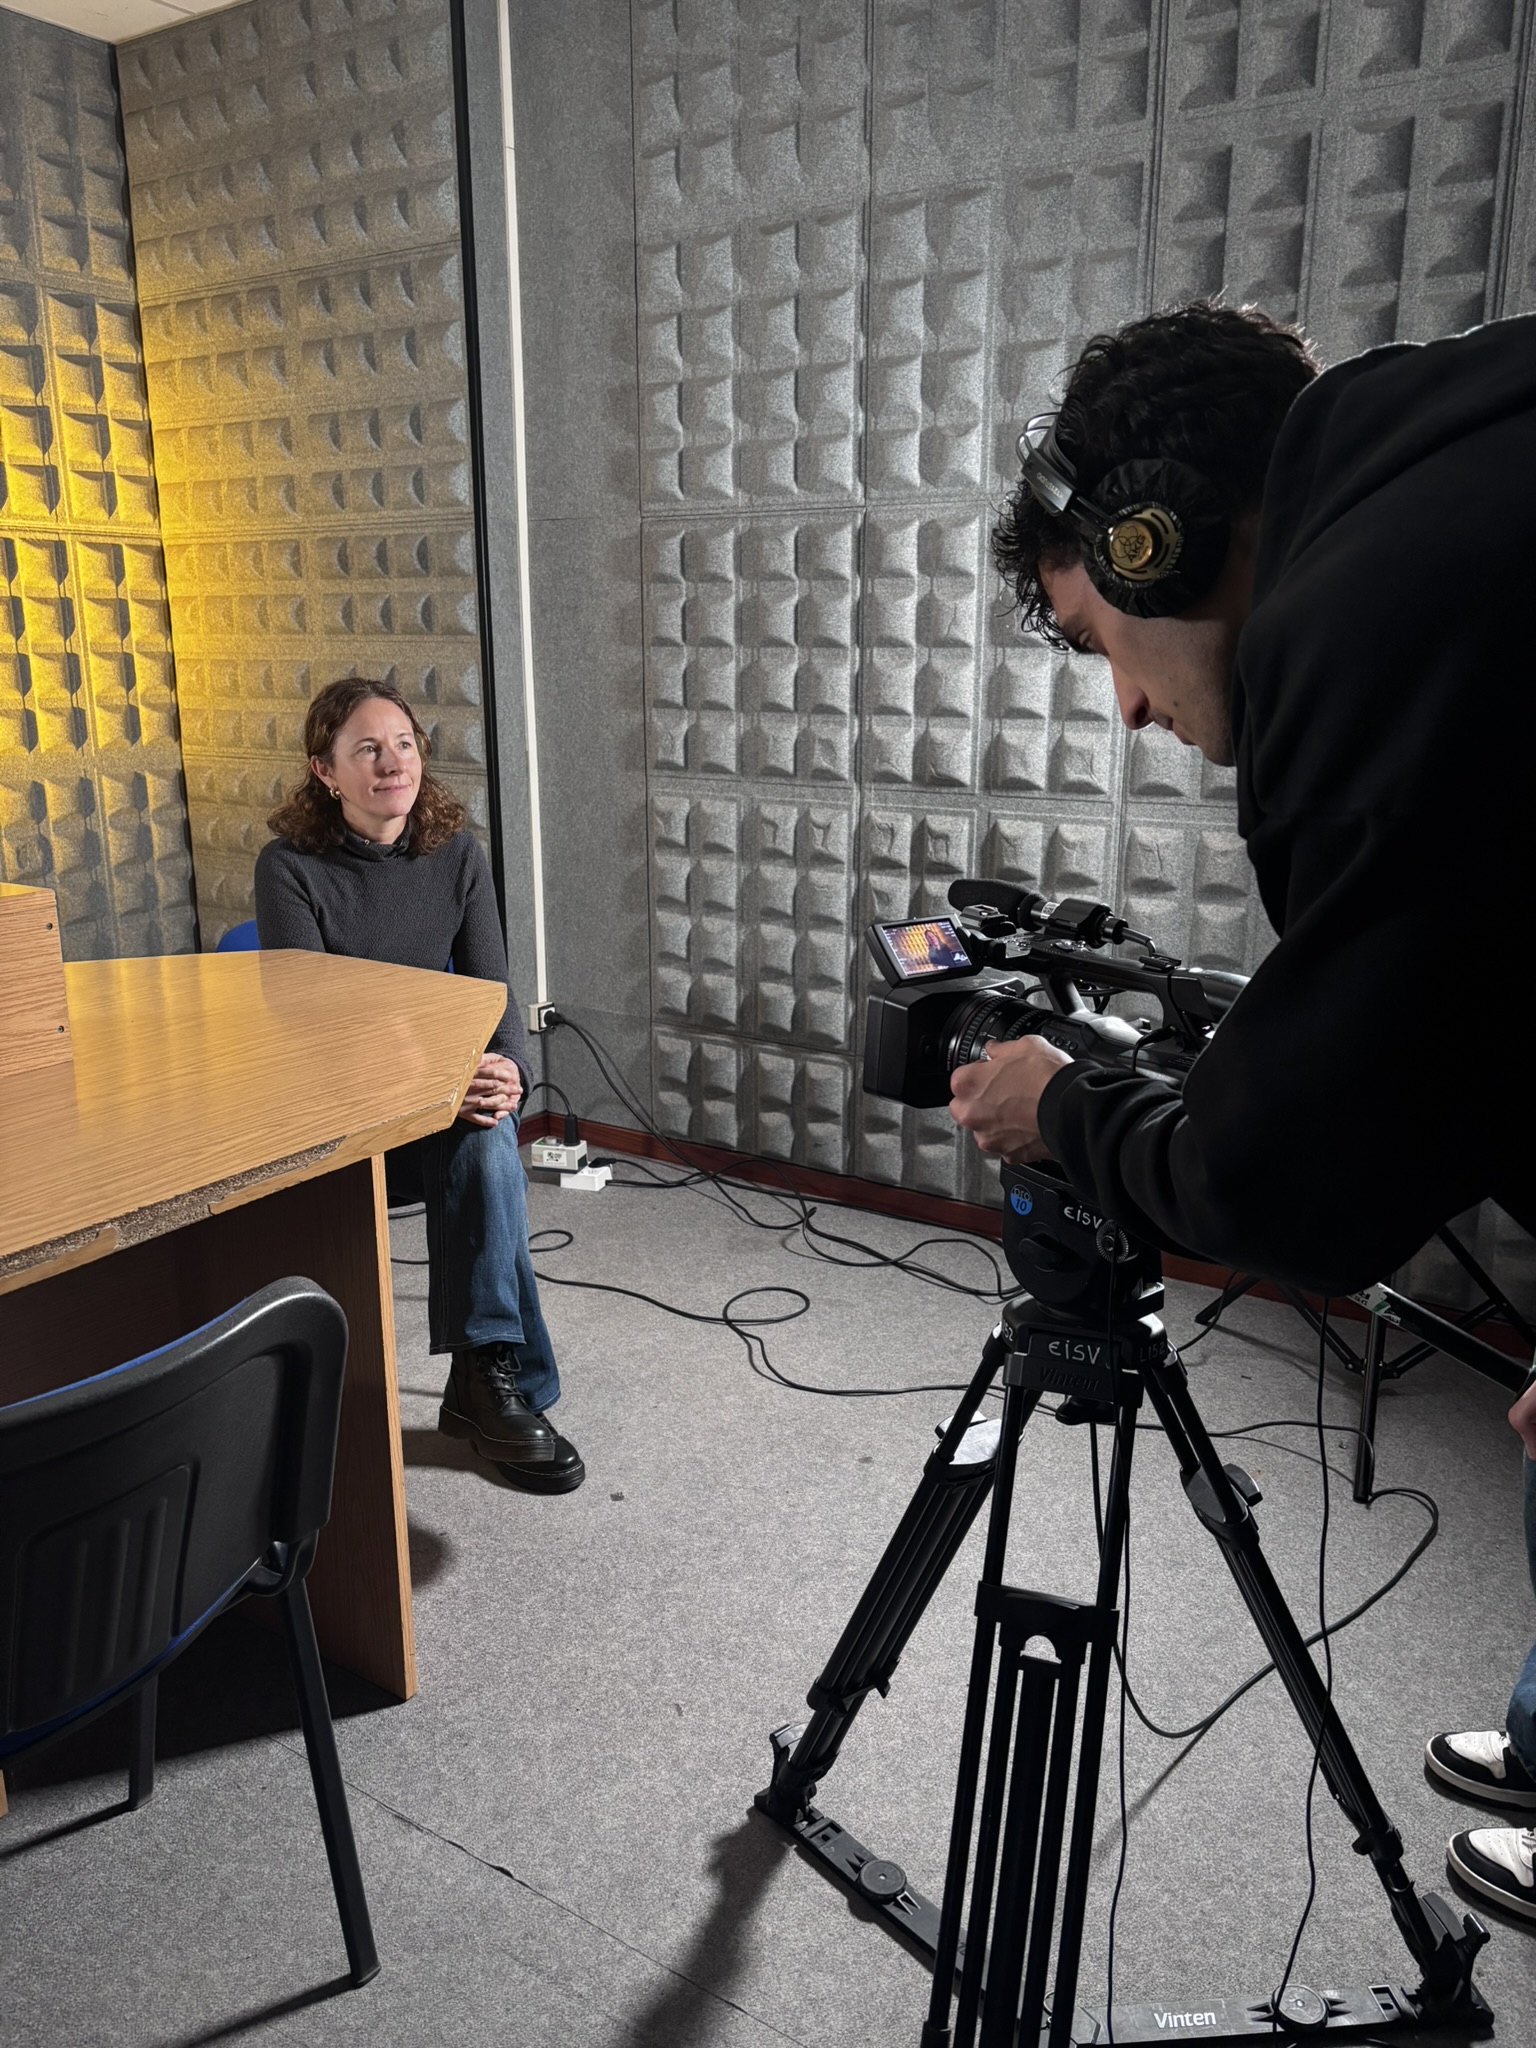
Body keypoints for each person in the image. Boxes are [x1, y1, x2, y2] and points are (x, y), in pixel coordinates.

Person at [947, 303, 1536, 1920]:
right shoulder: (1474, 427)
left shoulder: (1359, 625)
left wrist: (1072, 1110)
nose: (1130, 710)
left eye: (1099, 644)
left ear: (1152, 544)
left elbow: (1287, 1188)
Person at [254, 675, 583, 1494]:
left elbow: (493, 994)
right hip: (342, 1113)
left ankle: (484, 1374)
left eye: (403, 744)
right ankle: (495, 1382)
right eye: (367, 749)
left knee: (487, 1134)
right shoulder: (289, 867)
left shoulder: (456, 855)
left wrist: (510, 1071)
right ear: (325, 770)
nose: (392, 762)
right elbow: (314, 1031)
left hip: (440, 1105)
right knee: (482, 1144)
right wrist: (434, 1080)